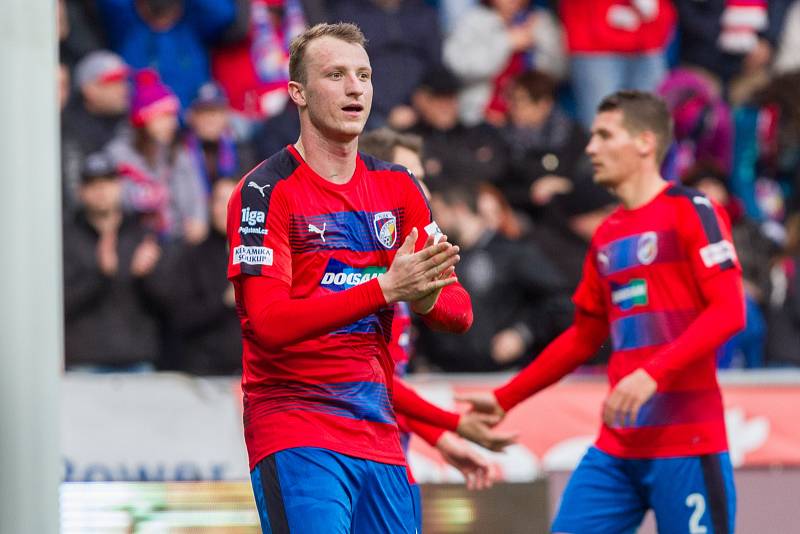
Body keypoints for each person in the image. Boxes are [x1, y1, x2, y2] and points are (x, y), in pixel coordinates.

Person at [226, 23, 498, 533]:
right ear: (298, 93)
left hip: (379, 431)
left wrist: (422, 298)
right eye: (335, 75)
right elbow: (268, 323)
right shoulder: (264, 190)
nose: (355, 88)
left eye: (364, 75)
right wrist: (385, 289)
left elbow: (458, 312)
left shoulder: (398, 186)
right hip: (295, 426)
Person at [459, 91, 745, 533]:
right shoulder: (608, 234)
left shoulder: (692, 211)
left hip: (688, 444)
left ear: (644, 143)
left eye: (604, 135)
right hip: (618, 450)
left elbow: (730, 311)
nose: (590, 148)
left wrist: (652, 373)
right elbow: (581, 338)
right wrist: (504, 399)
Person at [63, 152, 173, 371]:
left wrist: (146, 276)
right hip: (85, 360)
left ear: (120, 186)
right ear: (80, 192)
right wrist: (99, 276)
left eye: (108, 182)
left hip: (137, 358)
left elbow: (170, 304)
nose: (101, 191)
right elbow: (59, 304)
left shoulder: (141, 235)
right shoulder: (66, 237)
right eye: (93, 184)